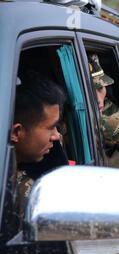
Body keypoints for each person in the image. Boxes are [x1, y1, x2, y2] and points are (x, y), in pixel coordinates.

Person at [11, 76, 66, 224]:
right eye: (50, 128)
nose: (56, 136)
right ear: (16, 132)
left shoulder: (52, 157)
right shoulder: (16, 196)